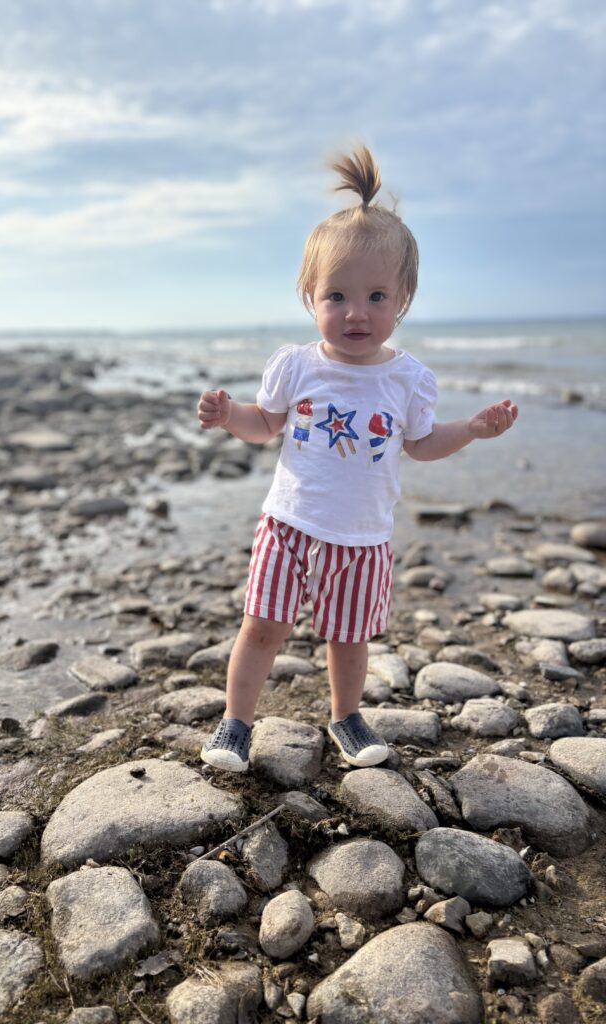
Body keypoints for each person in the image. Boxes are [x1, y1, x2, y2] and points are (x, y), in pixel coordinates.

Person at [196, 145, 518, 773]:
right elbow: (265, 425)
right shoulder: (297, 365)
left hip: (364, 535)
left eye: (375, 296)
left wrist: (473, 429)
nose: (356, 313)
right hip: (289, 522)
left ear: (403, 299)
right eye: (337, 295)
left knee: (349, 637)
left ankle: (345, 717)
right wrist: (228, 415)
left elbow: (420, 445)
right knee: (261, 625)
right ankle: (234, 724)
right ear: (310, 295)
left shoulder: (408, 380)